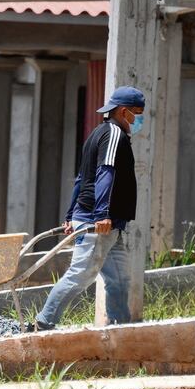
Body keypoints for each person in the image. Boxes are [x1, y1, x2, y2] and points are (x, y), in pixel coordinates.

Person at [29, 85, 145, 331]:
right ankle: (43, 323)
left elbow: (82, 178)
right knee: (80, 275)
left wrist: (71, 214)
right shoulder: (113, 135)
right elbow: (105, 173)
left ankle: (120, 330)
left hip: (109, 224)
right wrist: (101, 214)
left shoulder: (98, 133)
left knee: (119, 279)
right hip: (98, 222)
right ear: (123, 111)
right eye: (137, 113)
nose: (139, 120)